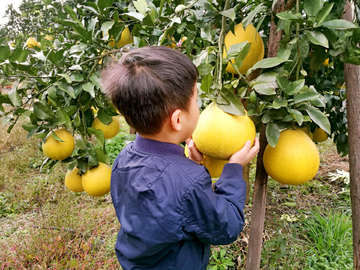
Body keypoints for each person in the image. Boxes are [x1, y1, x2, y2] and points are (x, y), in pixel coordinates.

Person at [102, 46, 259, 270]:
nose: (198, 107)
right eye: (195, 101)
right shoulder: (188, 183)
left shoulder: (124, 158)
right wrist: (234, 170)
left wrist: (191, 165)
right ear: (177, 120)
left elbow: (161, 201)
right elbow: (227, 226)